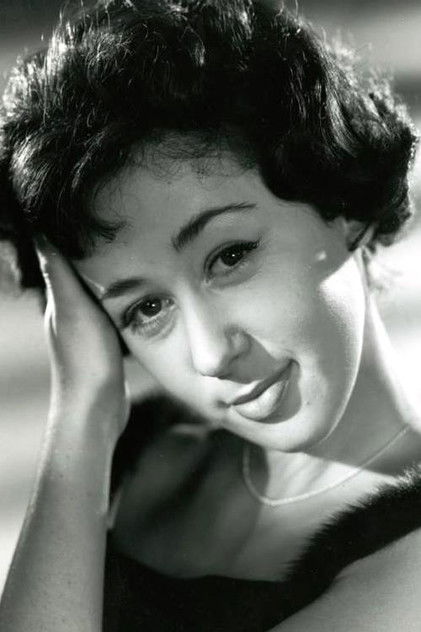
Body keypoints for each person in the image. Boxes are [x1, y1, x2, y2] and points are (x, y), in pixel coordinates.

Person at [0, 0, 421, 630]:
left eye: (230, 256)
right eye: (147, 308)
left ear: (342, 203)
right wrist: (84, 412)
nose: (211, 354)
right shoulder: (140, 457)